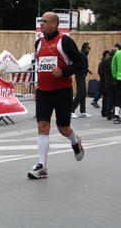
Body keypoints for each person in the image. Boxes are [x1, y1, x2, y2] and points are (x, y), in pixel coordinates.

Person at [28, 11, 84, 179]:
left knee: (63, 128)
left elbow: (81, 64)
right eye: (41, 21)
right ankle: (42, 167)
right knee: (42, 127)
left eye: (45, 21)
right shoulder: (38, 43)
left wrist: (63, 71)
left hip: (62, 91)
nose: (42, 24)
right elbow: (41, 65)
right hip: (44, 92)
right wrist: (37, 84)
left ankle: (75, 141)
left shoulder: (65, 41)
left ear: (55, 24)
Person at [71, 42, 92, 119]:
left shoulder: (83, 54)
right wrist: (83, 72)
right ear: (85, 48)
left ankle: (83, 111)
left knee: (83, 93)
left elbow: (83, 65)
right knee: (80, 93)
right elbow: (79, 65)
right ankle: (71, 110)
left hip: (81, 75)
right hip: (80, 75)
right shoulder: (82, 54)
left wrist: (87, 70)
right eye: (89, 48)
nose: (89, 50)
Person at [102, 46, 120, 120]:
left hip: (108, 81)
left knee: (109, 97)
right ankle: (115, 113)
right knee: (117, 98)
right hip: (116, 81)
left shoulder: (105, 60)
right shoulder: (118, 61)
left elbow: (102, 71)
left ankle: (108, 113)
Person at [96, 50, 111, 116]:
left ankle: (107, 111)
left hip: (108, 82)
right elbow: (100, 72)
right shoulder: (102, 63)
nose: (107, 56)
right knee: (105, 98)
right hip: (104, 82)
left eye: (108, 55)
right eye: (106, 55)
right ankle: (104, 111)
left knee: (108, 97)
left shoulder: (110, 62)